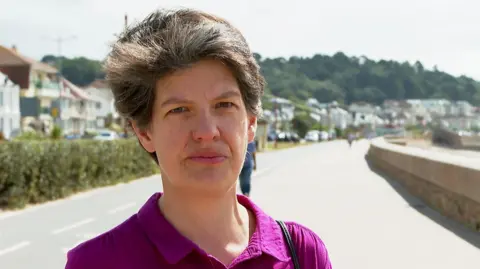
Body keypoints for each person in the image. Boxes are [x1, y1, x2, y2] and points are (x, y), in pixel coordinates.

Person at [65, 8, 332, 269]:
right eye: (179, 110)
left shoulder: (303, 253)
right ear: (145, 132)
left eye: (224, 105)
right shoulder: (98, 262)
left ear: (251, 123)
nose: (207, 131)